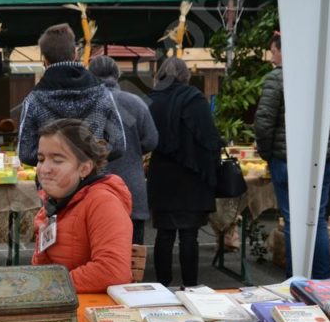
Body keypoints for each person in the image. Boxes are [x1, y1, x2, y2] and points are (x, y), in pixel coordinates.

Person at [255, 32, 330, 278]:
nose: (272, 57)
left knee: (294, 221)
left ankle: (298, 282)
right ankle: (322, 281)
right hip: (324, 158)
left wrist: (268, 153)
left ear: (286, 51)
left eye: (274, 52)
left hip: (287, 159)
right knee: (317, 218)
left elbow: (264, 122)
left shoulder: (278, 78)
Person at [31, 118, 133, 292]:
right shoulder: (54, 203)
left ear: (84, 168)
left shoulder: (102, 202)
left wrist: (51, 288)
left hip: (95, 310)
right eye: (41, 159)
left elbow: (112, 271)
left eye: (57, 160)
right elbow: (43, 270)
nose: (44, 168)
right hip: (66, 304)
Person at [146, 57, 221, 288]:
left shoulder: (153, 102)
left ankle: (162, 286)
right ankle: (190, 287)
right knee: (190, 236)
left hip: (163, 176)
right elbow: (209, 139)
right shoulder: (195, 100)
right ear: (186, 76)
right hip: (192, 176)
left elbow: (147, 139)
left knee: (164, 234)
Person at [17, 23, 126, 166]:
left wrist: (53, 158)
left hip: (52, 181)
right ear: (75, 54)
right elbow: (118, 146)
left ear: (45, 60)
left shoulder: (34, 100)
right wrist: (89, 159)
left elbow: (25, 153)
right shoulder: (102, 93)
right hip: (91, 179)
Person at [88, 55, 159, 245]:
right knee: (131, 254)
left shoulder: (85, 104)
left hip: (93, 187)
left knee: (98, 252)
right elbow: (152, 140)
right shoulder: (136, 102)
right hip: (131, 186)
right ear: (117, 76)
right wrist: (133, 150)